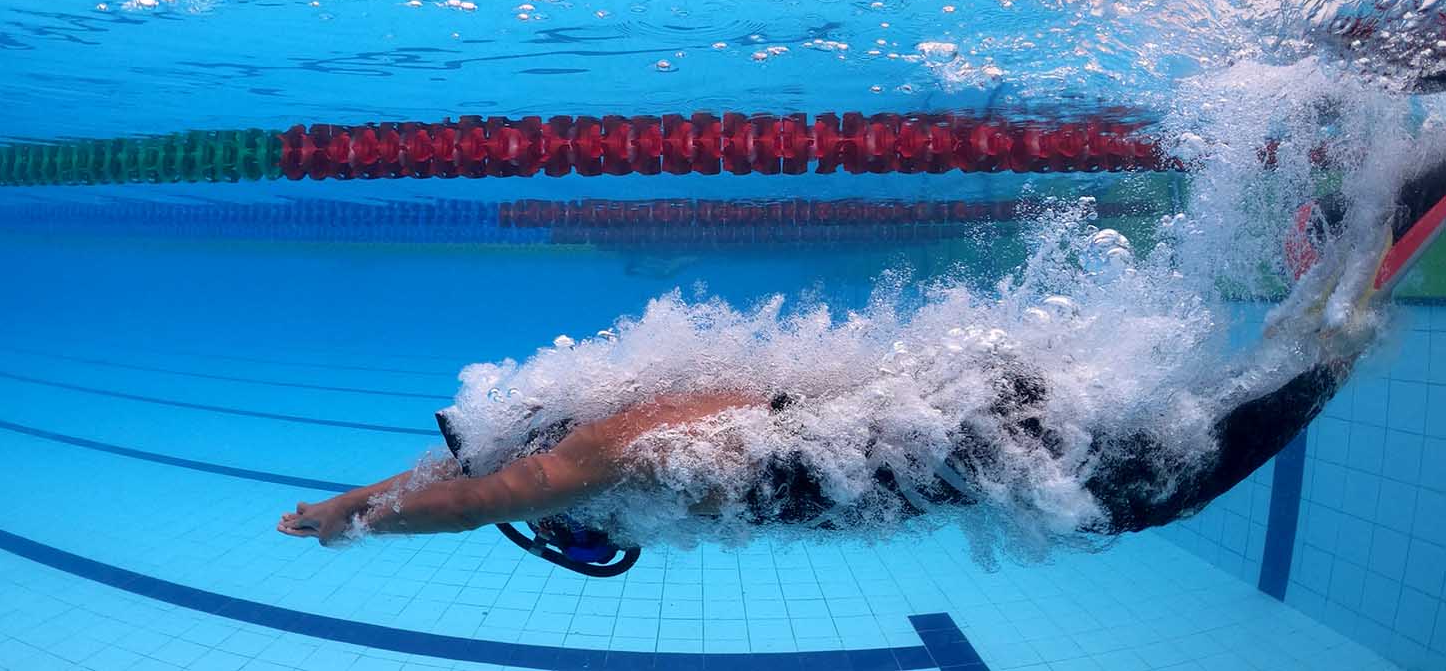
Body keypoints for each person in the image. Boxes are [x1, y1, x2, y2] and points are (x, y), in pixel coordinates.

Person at [277, 162, 1446, 570]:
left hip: (986, 438)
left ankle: (1357, 284)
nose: (592, 523)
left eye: (581, 526)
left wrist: (348, 517)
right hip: (967, 416)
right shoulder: (631, 410)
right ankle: (1337, 266)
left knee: (1147, 491)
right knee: (1176, 432)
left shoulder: (603, 449)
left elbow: (489, 488)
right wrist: (386, 484)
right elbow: (477, 461)